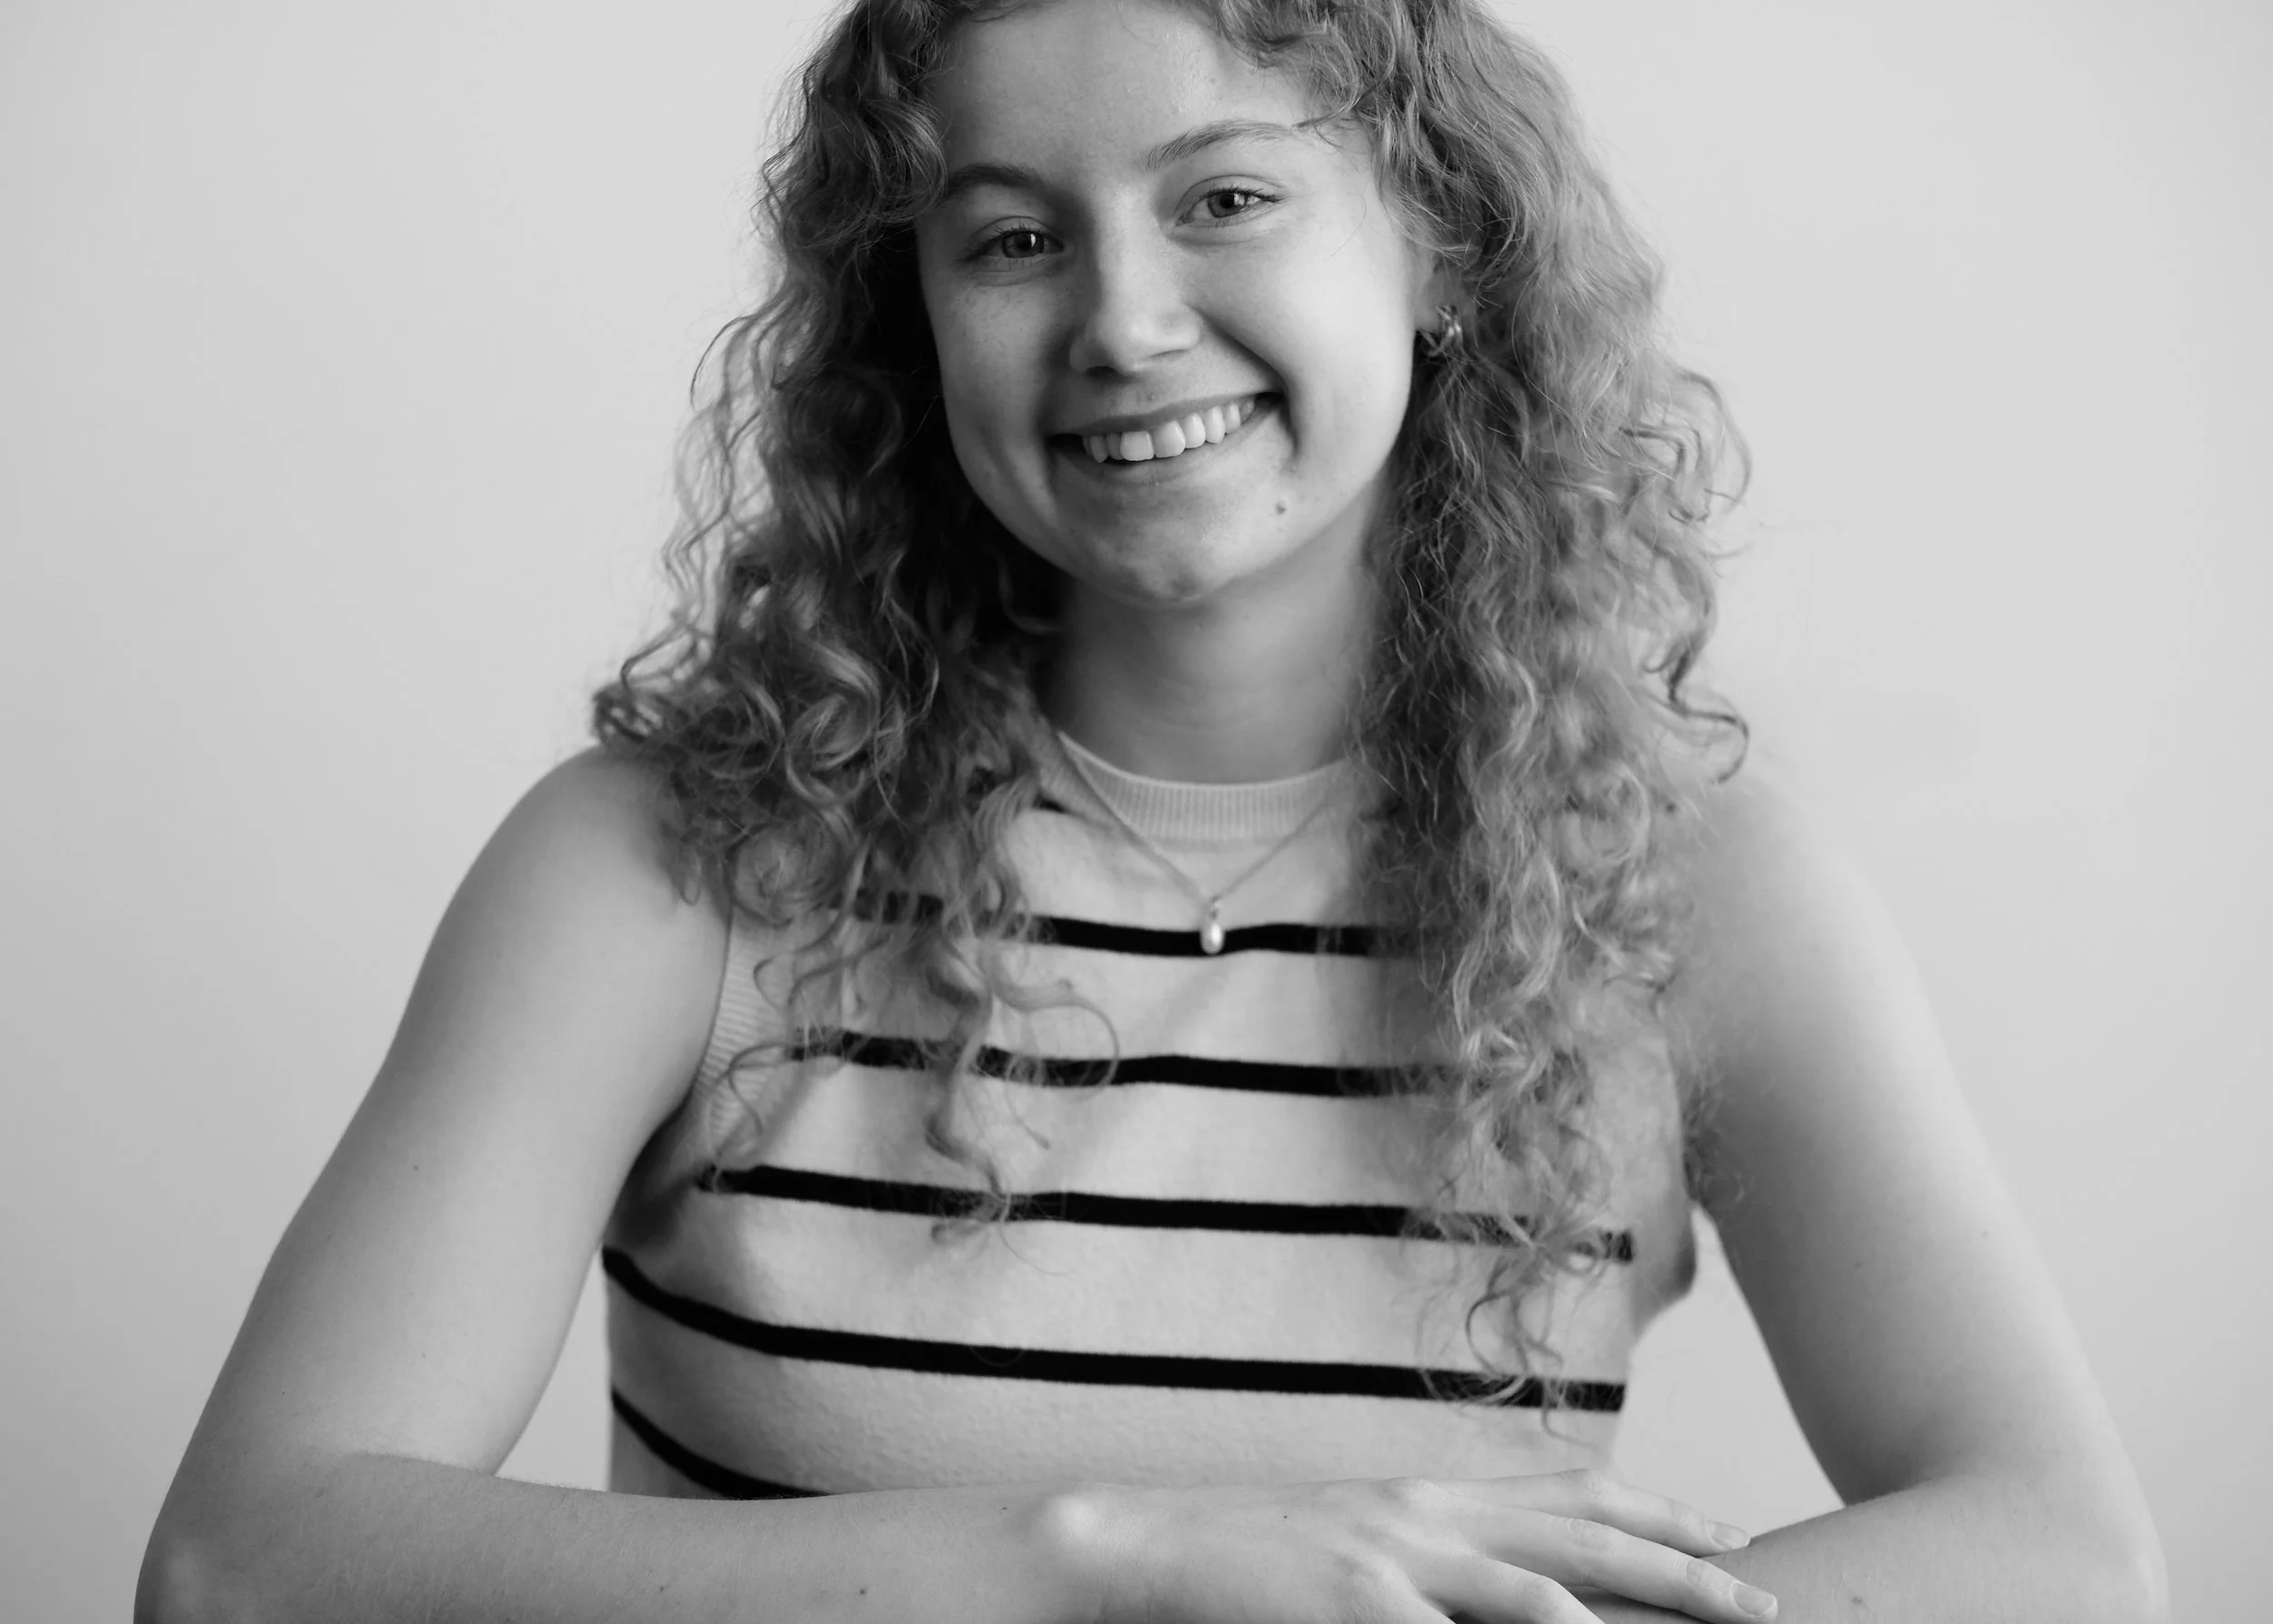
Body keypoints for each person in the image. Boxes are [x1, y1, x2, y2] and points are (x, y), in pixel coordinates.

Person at [135, 0, 2167, 1619]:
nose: (1119, 317)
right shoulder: (662, 863)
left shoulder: (1691, 888)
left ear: (1435, 239)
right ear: (911, 324)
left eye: (1221, 198)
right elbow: (249, 1559)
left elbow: (2055, 1551)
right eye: (1010, 235)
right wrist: (1088, 1560)